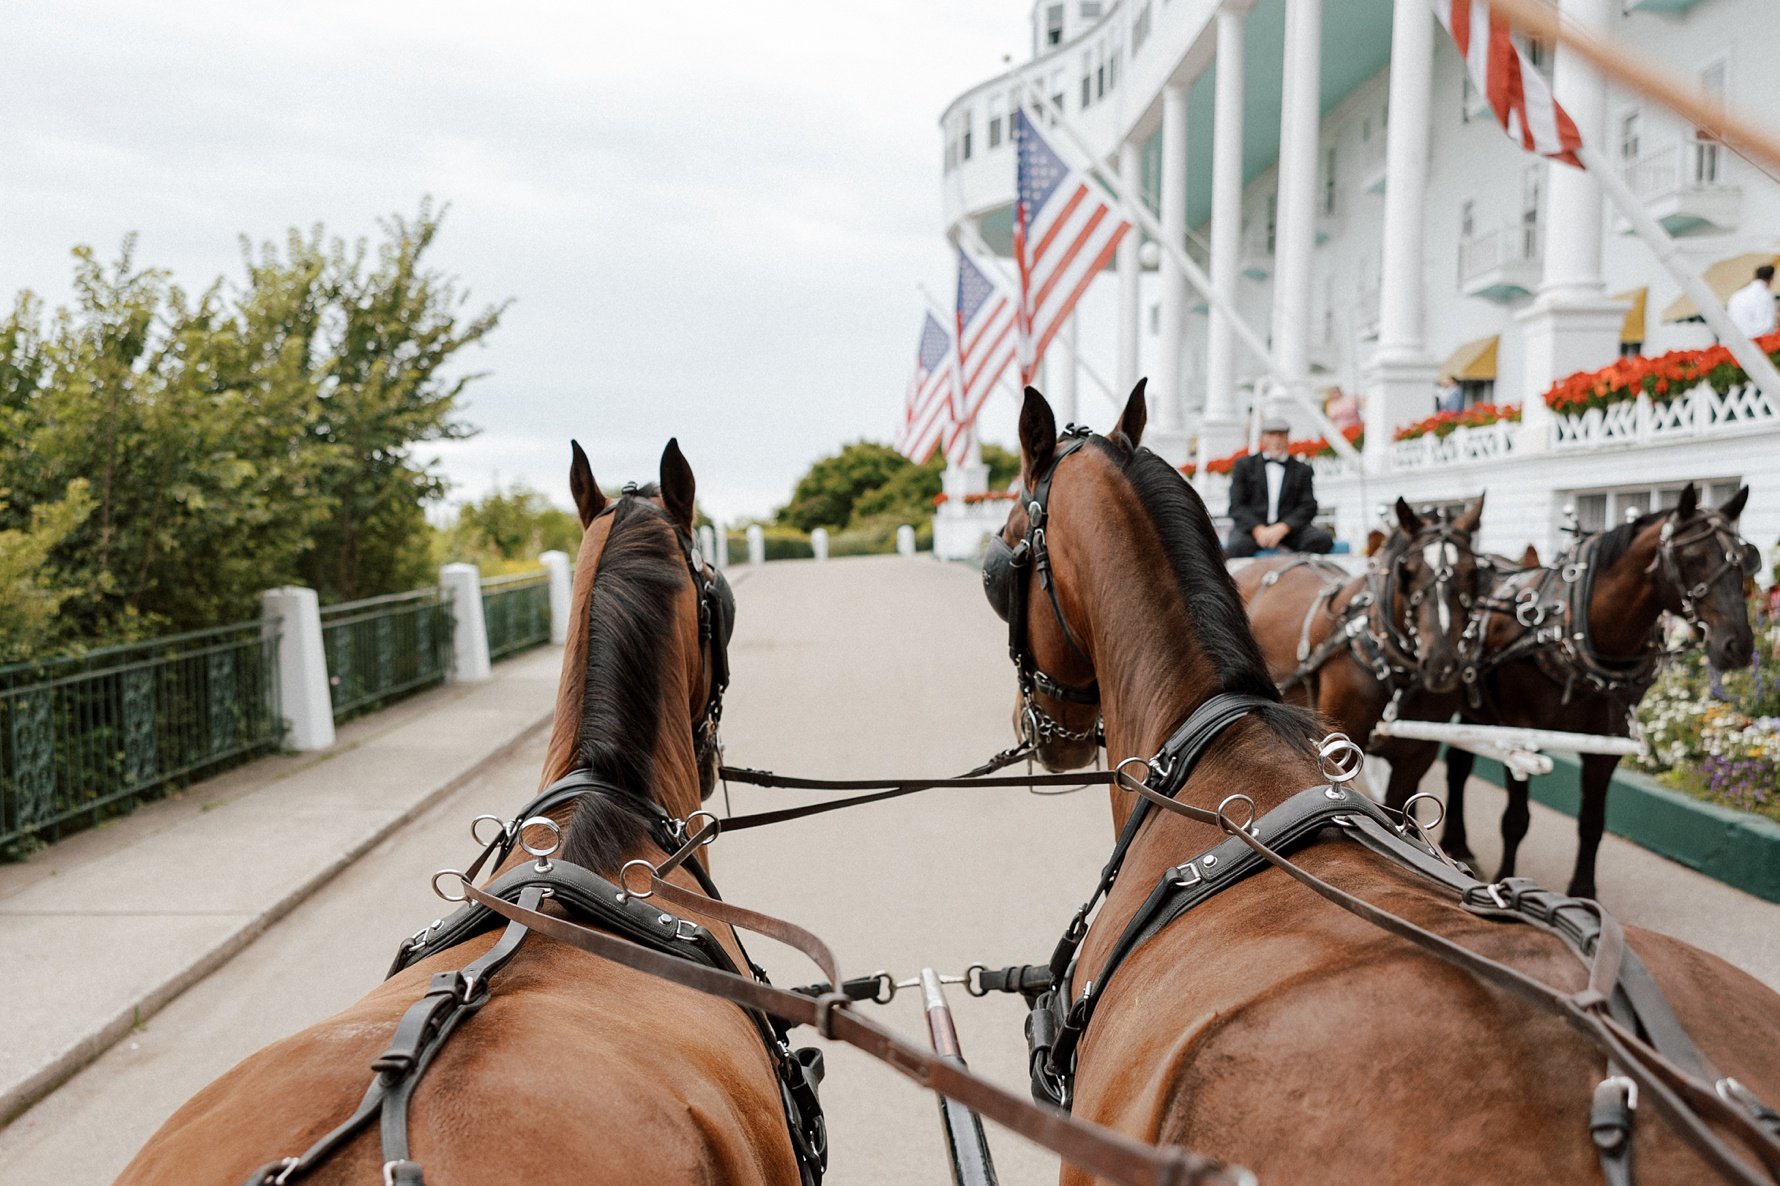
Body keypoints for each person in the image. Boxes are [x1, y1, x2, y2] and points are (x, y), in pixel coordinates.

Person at [1223, 417, 1335, 558]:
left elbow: (1308, 506)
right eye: (1271, 435)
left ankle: (1297, 574)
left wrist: (1283, 528)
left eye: (1281, 435)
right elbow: (1236, 506)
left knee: (1321, 541)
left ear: (1287, 438)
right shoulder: (1244, 466)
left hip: (1289, 531)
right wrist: (1258, 530)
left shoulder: (1302, 470)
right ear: (1263, 438)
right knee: (1235, 547)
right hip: (1253, 531)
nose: (1276, 440)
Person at [1727, 264, 1777, 340]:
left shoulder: (1738, 294)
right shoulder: (1765, 295)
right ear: (1771, 279)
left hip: (1736, 340)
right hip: (1756, 342)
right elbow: (1768, 325)